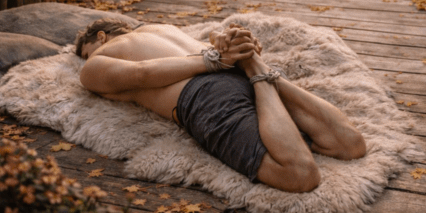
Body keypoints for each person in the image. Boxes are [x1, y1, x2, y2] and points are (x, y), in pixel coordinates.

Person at [76, 18, 366, 192]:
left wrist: (211, 60)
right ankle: (256, 67)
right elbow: (212, 45)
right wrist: (227, 53)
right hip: (232, 69)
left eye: (86, 52)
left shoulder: (97, 61)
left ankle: (255, 70)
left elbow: (142, 73)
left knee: (299, 174)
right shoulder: (162, 27)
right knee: (351, 145)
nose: (87, 60)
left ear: (100, 37)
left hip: (204, 93)